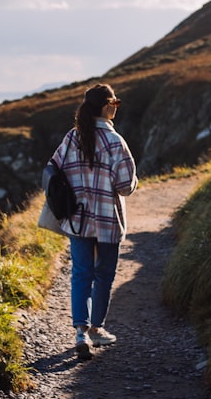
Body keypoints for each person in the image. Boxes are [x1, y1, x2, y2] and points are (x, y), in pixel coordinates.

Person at [44, 83, 137, 360]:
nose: (116, 109)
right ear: (107, 106)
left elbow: (54, 170)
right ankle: (96, 329)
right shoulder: (115, 142)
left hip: (77, 218)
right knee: (104, 276)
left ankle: (80, 332)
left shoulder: (73, 137)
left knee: (81, 273)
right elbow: (125, 186)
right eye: (115, 104)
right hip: (107, 220)